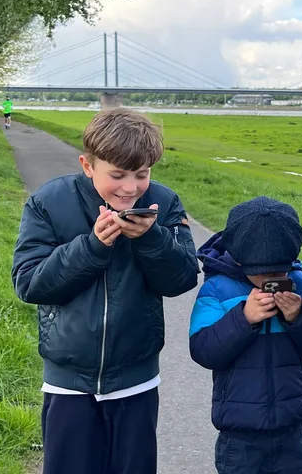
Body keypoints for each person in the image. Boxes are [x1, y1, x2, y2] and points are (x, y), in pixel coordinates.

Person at [11, 108, 201, 474]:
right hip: (68, 382)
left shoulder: (163, 203)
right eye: (117, 175)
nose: (130, 188)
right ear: (87, 165)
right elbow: (29, 282)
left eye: (142, 174)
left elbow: (181, 279)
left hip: (136, 380)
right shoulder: (49, 202)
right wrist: (92, 247)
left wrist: (152, 238)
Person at [189, 196, 302, 474]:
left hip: (292, 429)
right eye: (262, 274)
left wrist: (300, 315)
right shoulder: (217, 289)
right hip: (239, 435)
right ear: (239, 258)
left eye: (280, 271)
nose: (272, 279)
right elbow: (202, 350)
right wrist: (243, 318)